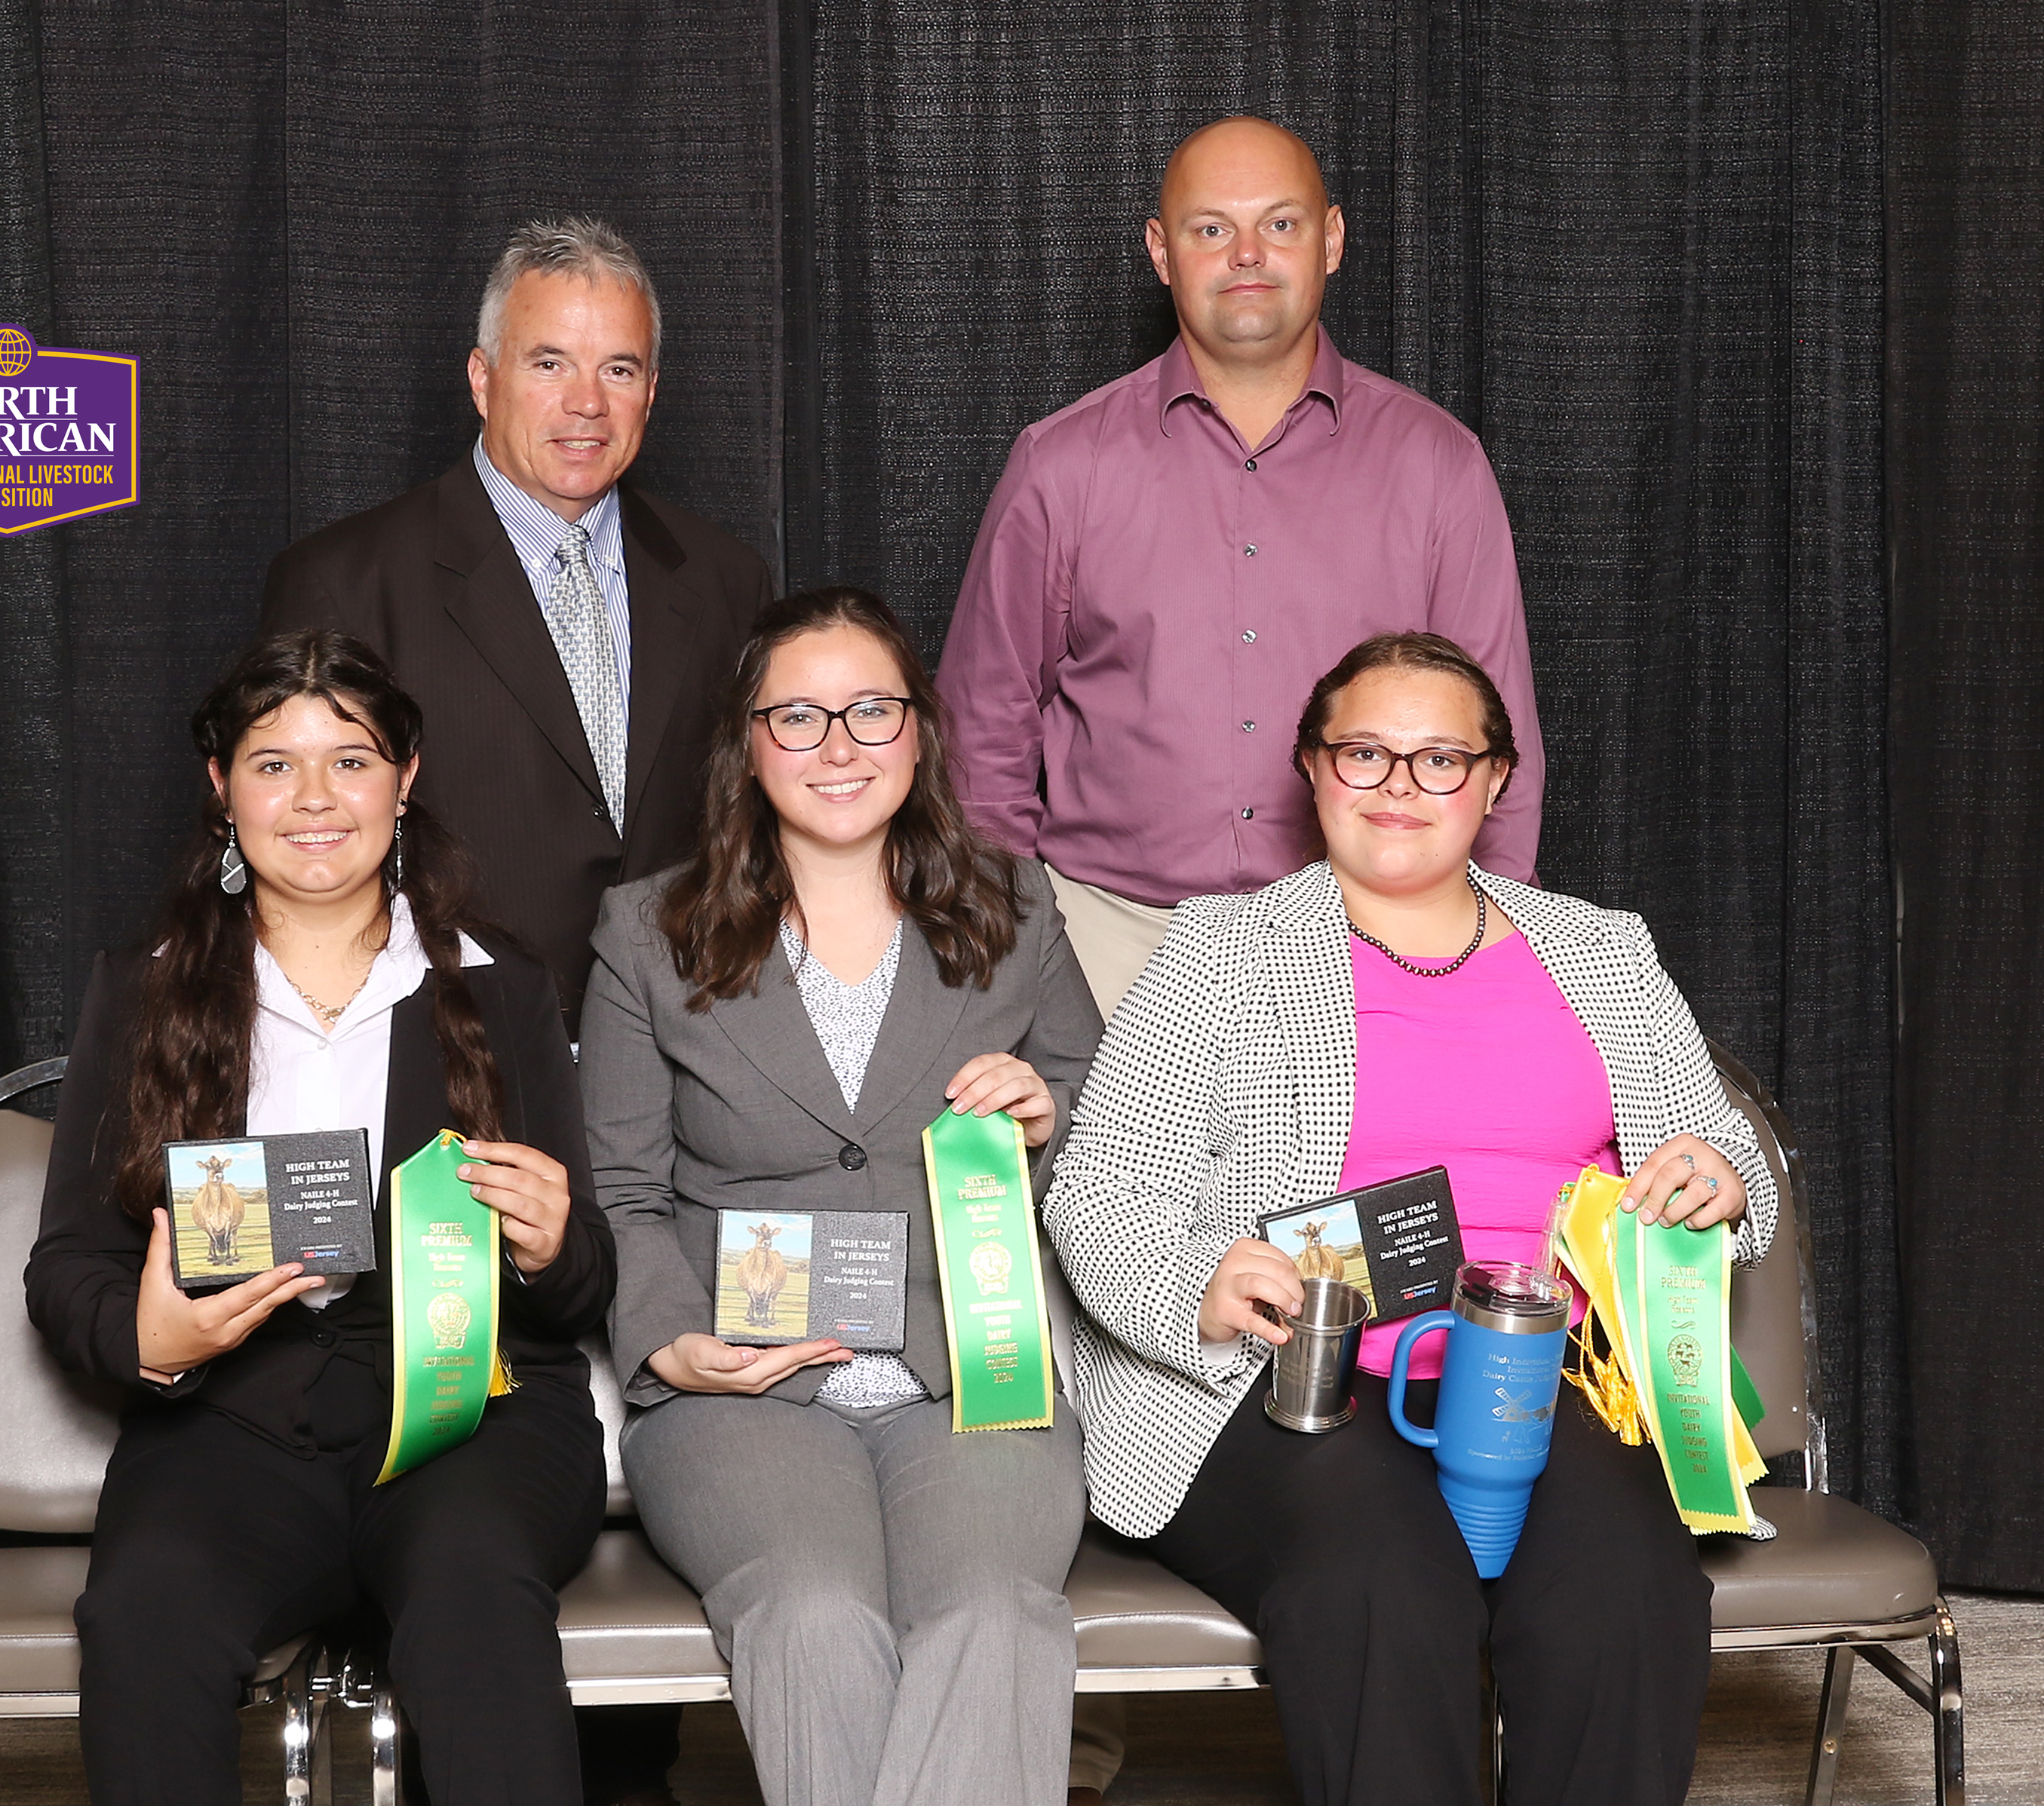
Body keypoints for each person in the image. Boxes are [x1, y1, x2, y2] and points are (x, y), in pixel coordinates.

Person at [1042, 632, 1779, 1806]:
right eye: (1365, 755)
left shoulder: (1605, 951)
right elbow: (1102, 1189)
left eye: (1441, 760)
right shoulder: (1221, 954)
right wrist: (1199, 1286)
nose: (1399, 787)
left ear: (1495, 781)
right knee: (1385, 1586)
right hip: (1288, 1377)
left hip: (1540, 1375)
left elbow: (1728, 1157)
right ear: (1312, 771)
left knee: (1625, 1592)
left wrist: (1723, 1181)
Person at [26, 630, 615, 1806]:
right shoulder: (139, 991)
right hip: (230, 1420)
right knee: (143, 1614)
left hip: (471, 1416)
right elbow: (70, 1267)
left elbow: (585, 1281)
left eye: (349, 760)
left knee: (472, 1592)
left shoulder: (504, 985)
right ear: (220, 789)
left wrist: (555, 1243)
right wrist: (151, 1342)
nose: (313, 800)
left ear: (406, 777)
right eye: (272, 764)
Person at [582, 587, 1103, 1806]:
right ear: (748, 746)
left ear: (919, 733)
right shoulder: (647, 935)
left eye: (871, 712)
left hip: (972, 1373)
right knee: (815, 1615)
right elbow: (620, 1191)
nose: (837, 747)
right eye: (799, 717)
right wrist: (674, 1345)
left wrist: (1049, 1110)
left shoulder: (1017, 912)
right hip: (744, 1387)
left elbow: (1094, 1114)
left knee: (993, 1614)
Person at [941, 115, 1547, 1025]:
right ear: (1162, 251)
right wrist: (1013, 944)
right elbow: (982, 730)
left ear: (1332, 240)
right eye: (1211, 228)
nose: (1248, 255)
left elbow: (1499, 742)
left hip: (1370, 944)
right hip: (1107, 942)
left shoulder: (1438, 465)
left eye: (1282, 224)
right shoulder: (1062, 464)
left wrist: (1484, 964)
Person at [262, 215, 772, 1034]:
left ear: (652, 389)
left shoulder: (725, 580)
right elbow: (291, 849)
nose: (586, 403)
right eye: (549, 363)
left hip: (688, 1052)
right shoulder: (343, 583)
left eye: (619, 367)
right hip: (451, 1051)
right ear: (482, 377)